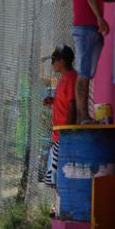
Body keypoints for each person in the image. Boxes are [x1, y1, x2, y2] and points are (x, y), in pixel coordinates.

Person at [72, 0, 108, 123]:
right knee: (84, 73)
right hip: (87, 26)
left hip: (84, 26)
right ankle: (83, 116)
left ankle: (82, 116)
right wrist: (100, 18)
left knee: (84, 73)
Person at [42, 45, 77, 188]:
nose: (52, 64)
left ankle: (61, 208)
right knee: (53, 179)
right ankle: (58, 207)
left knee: (55, 179)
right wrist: (53, 101)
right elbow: (65, 102)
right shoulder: (63, 78)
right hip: (57, 135)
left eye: (54, 60)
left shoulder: (72, 78)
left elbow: (73, 106)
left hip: (63, 135)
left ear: (61, 62)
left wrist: (67, 133)